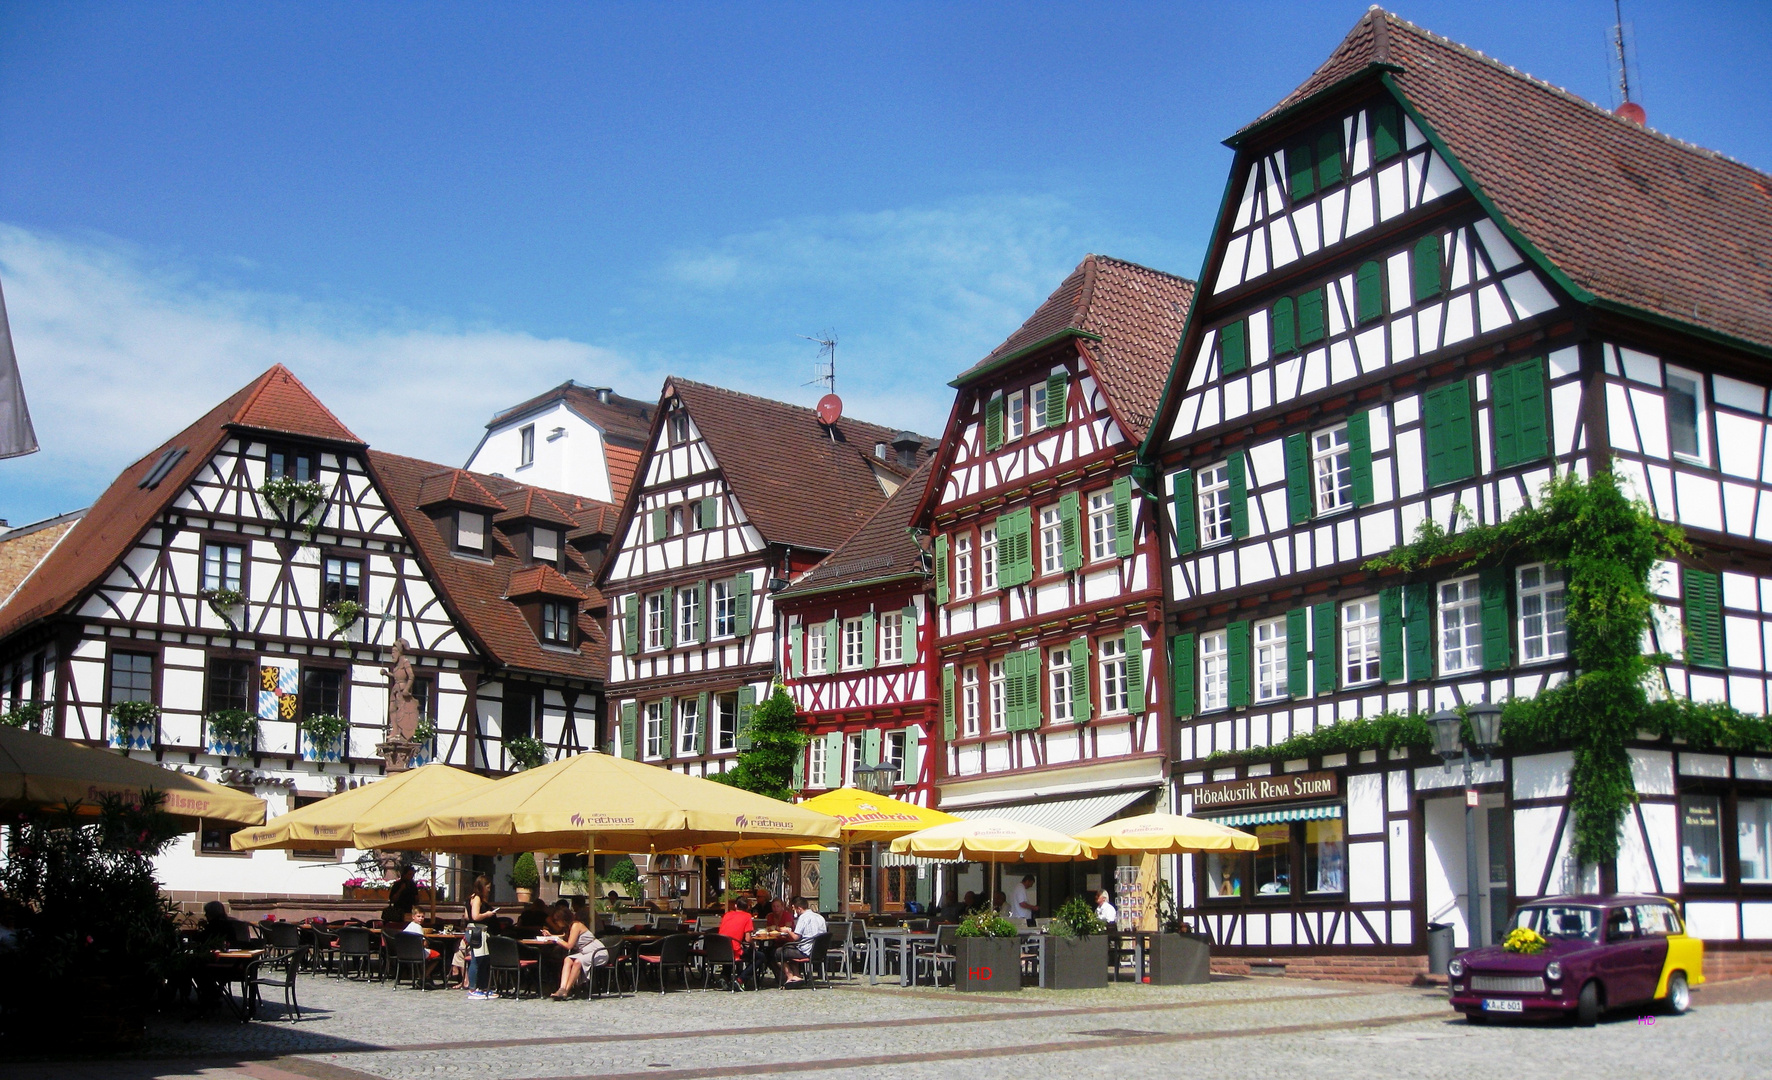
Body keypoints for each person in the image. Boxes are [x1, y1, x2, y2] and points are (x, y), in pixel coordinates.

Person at [542, 907, 607, 1000]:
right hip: (585, 952)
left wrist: (556, 940)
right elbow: (564, 937)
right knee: (567, 959)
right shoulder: (570, 927)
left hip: (597, 952)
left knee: (578, 962)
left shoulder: (576, 925)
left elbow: (569, 945)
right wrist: (551, 936)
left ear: (563, 920)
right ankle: (562, 988)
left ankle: (566, 991)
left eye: (557, 920)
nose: (556, 923)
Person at [460, 874, 501, 999]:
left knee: (484, 959)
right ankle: (473, 989)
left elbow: (466, 917)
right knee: (476, 960)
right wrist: (487, 914)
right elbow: (475, 916)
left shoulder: (469, 898)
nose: (489, 889)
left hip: (474, 930)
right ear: (482, 887)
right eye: (487, 887)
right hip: (478, 931)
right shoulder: (477, 898)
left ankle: (483, 987)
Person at [776, 897, 827, 987]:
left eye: (794, 909)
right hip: (819, 951)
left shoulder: (803, 918)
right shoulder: (820, 917)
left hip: (806, 951)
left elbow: (796, 937)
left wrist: (787, 931)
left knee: (778, 952)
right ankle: (797, 976)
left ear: (799, 908)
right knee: (791, 949)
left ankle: (790, 976)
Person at [716, 896, 755, 989]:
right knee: (760, 957)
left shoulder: (727, 915)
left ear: (735, 905)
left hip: (721, 950)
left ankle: (724, 977)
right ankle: (740, 979)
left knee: (731, 947)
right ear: (747, 908)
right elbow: (748, 939)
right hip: (734, 951)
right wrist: (753, 945)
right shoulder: (747, 917)